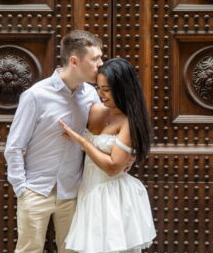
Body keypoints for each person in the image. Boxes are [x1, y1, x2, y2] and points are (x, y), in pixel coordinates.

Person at [4, 30, 103, 253]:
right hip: (36, 190)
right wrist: (23, 189)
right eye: (95, 58)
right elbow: (15, 147)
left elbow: (101, 136)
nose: (101, 63)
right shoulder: (36, 95)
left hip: (73, 191)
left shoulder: (91, 95)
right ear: (75, 60)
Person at [60, 58, 156, 253]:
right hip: (87, 191)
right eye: (98, 87)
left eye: (107, 89)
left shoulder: (129, 122)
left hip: (111, 197)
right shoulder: (94, 110)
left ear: (123, 89)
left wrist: (82, 142)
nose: (100, 94)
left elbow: (113, 167)